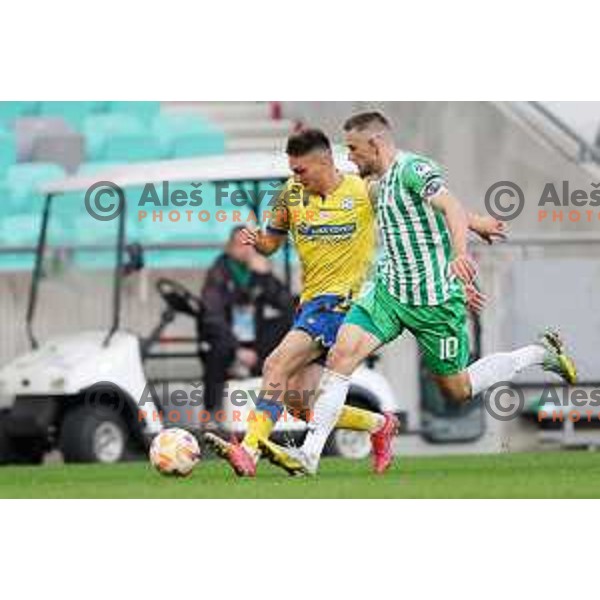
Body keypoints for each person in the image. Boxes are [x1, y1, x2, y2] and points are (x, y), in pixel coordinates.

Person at [261, 111, 577, 476]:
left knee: (457, 390)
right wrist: (480, 223)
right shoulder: (374, 183)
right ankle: (308, 456)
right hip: (388, 292)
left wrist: (461, 254)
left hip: (434, 302)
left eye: (353, 149)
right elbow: (441, 212)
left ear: (375, 144)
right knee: (341, 356)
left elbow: (450, 206)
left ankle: (540, 353)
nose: (349, 157)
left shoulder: (413, 169)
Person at [205, 128, 508, 477]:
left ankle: (248, 451)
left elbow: (419, 205)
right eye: (292, 170)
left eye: (301, 170)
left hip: (347, 304)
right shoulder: (290, 195)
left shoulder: (361, 189)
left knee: (275, 365)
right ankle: (379, 424)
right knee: (301, 405)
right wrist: (257, 240)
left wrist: (476, 221)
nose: (296, 177)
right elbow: (271, 244)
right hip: (310, 305)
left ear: (324, 162)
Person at [199, 226, 294, 413]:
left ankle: (271, 407)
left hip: (254, 335)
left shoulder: (257, 273)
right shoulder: (219, 272)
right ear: (230, 247)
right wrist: (238, 349)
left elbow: (286, 303)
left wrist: (266, 276)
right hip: (227, 339)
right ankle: (212, 413)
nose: (247, 250)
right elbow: (213, 317)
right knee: (218, 344)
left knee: (289, 322)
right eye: (241, 245)